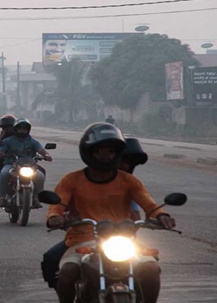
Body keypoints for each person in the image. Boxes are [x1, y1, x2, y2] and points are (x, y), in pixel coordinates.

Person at [45, 123, 176, 303]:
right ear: (89, 151)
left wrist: (162, 216)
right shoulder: (72, 180)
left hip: (124, 240)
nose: (105, 156)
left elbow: (148, 203)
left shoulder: (128, 180)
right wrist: (55, 217)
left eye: (111, 152)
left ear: (117, 153)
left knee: (151, 269)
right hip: (82, 239)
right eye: (100, 151)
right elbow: (57, 204)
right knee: (68, 272)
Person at [40, 136, 148, 289]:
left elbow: (142, 211)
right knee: (52, 260)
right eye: (122, 162)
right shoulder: (76, 181)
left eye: (128, 163)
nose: (124, 166)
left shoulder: (128, 185)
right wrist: (59, 218)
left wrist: (158, 217)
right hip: (84, 237)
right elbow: (60, 206)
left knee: (150, 266)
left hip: (120, 240)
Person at [0, 118, 52, 208]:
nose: (22, 131)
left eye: (24, 129)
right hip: (11, 164)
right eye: (20, 128)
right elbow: (0, 150)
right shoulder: (8, 140)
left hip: (30, 165)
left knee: (40, 176)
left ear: (28, 130)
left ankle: (36, 197)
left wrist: (47, 155)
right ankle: (2, 196)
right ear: (16, 129)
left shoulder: (32, 141)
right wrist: (0, 154)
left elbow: (41, 150)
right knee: (4, 173)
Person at [0, 114, 17, 198]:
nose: (7, 129)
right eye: (4, 127)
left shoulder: (22, 134)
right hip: (7, 161)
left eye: (9, 127)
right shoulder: (3, 137)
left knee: (39, 173)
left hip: (23, 161)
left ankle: (36, 194)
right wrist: (1, 137)